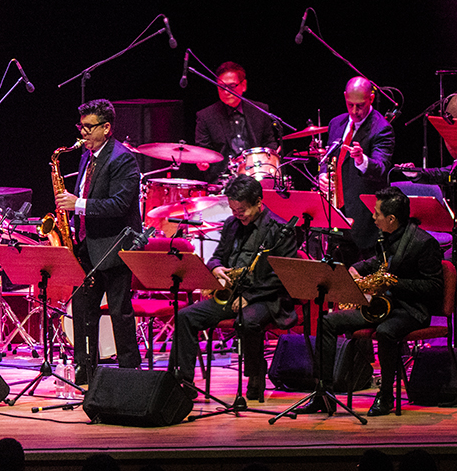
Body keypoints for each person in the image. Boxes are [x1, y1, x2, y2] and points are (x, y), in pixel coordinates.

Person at [297, 186, 443, 417]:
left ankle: (386, 395)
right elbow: (376, 262)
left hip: (411, 310)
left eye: (377, 213)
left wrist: (393, 284)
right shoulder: (387, 237)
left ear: (391, 219)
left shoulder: (424, 243)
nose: (373, 217)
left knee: (386, 332)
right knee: (327, 322)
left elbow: (434, 287)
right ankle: (323, 394)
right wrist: (356, 269)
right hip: (381, 307)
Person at [168, 174, 299, 401]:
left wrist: (250, 296)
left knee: (247, 321)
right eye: (233, 210)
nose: (237, 215)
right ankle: (181, 383)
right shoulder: (231, 224)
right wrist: (216, 268)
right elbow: (217, 256)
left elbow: (284, 276)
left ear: (258, 202)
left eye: (242, 210)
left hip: (267, 297)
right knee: (185, 317)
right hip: (233, 294)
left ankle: (255, 374)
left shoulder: (280, 229)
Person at [56, 98, 141, 385]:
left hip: (115, 246)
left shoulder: (123, 159)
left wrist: (78, 204)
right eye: (81, 127)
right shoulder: (87, 156)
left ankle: (129, 372)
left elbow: (119, 204)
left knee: (119, 312)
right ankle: (84, 368)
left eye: (89, 127)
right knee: (82, 310)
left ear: (106, 128)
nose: (83, 133)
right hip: (87, 245)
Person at [319, 76, 395, 266]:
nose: (354, 111)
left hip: (364, 217)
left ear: (371, 98)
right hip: (337, 210)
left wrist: (362, 160)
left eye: (360, 105)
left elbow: (381, 168)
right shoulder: (336, 123)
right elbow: (328, 157)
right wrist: (323, 174)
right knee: (336, 270)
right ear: (345, 96)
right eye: (350, 104)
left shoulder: (382, 129)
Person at [195, 62, 278, 182]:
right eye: (221, 87)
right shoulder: (206, 116)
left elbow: (269, 143)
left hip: (257, 177)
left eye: (232, 86)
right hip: (222, 181)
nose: (226, 91)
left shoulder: (260, 110)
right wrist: (202, 162)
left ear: (244, 85)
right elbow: (203, 150)